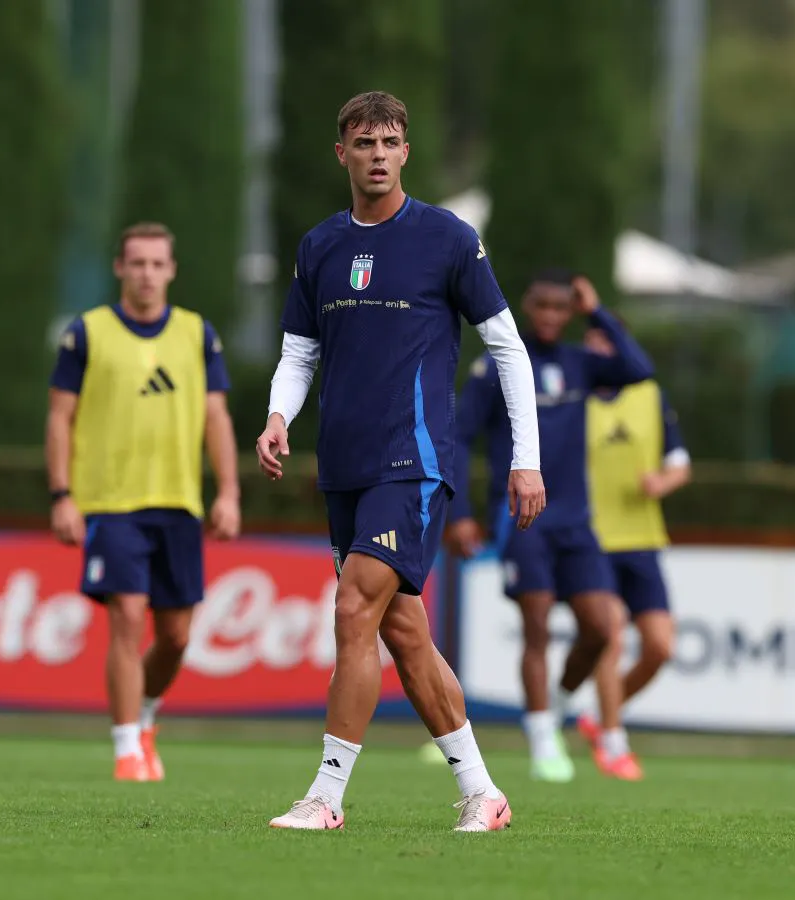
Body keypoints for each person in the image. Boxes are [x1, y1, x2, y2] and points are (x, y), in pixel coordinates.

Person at [256, 91, 544, 833]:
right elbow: (299, 351)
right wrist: (278, 416)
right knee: (404, 633)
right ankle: (484, 792)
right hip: (345, 467)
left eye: (390, 141)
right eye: (363, 142)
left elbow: (507, 347)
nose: (377, 153)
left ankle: (325, 797)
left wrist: (526, 459)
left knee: (354, 609)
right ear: (342, 153)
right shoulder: (319, 246)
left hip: (413, 462)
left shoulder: (447, 238)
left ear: (406, 152)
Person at [47, 222, 241, 782]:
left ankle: (147, 714)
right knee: (128, 617)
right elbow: (60, 417)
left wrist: (227, 492)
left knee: (177, 636)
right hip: (111, 503)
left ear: (171, 270)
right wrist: (62, 495)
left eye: (157, 264)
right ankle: (127, 747)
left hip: (179, 503)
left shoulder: (197, 334)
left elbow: (216, 418)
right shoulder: (87, 333)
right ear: (119, 268)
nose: (147, 274)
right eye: (137, 263)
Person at [444, 271, 655, 782]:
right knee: (536, 627)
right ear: (526, 306)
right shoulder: (498, 366)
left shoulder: (580, 363)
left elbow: (637, 368)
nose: (551, 316)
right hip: (521, 516)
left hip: (576, 520)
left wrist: (598, 311)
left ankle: (554, 707)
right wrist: (461, 513)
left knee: (602, 631)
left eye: (562, 308)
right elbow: (456, 437)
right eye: (543, 306)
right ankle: (543, 742)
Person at [574, 322, 691, 780]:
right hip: (594, 538)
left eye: (604, 343)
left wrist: (661, 482)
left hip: (642, 539)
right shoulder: (574, 399)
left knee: (660, 647)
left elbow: (680, 463)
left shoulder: (648, 394)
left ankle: (601, 715)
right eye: (591, 344)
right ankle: (614, 742)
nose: (597, 351)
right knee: (611, 636)